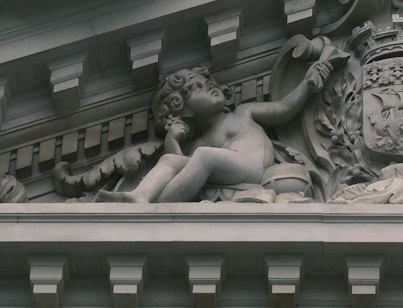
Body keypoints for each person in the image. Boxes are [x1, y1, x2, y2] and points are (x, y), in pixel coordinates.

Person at [102, 51, 340, 203]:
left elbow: (285, 108)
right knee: (170, 161)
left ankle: (160, 206)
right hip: (227, 169)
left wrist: (308, 85)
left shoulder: (243, 113)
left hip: (254, 167)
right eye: (196, 88)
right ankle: (140, 198)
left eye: (206, 82)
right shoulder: (200, 143)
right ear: (184, 109)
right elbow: (177, 163)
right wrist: (172, 140)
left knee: (204, 157)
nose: (208, 86)